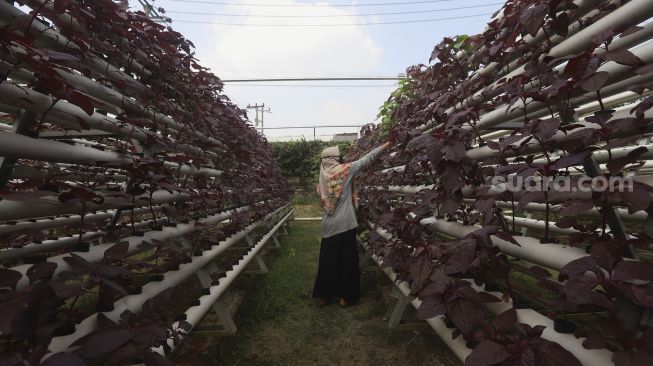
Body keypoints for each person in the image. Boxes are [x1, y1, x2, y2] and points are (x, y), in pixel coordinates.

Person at [312, 141, 390, 306]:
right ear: (334, 158)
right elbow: (366, 159)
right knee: (347, 260)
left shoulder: (322, 176)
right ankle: (345, 297)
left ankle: (324, 296)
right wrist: (386, 144)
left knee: (328, 260)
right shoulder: (345, 171)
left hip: (328, 225)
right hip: (346, 223)